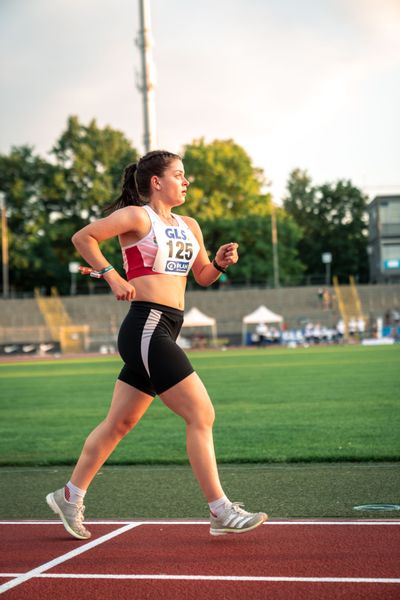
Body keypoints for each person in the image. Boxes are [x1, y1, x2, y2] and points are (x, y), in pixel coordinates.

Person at [46, 150, 267, 539]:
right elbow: (83, 237)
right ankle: (220, 510)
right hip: (146, 325)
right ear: (156, 182)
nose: (186, 181)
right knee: (201, 414)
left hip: (168, 325)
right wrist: (113, 277)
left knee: (120, 423)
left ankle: (69, 495)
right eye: (179, 175)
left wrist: (217, 263)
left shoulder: (189, 224)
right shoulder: (137, 216)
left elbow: (201, 277)